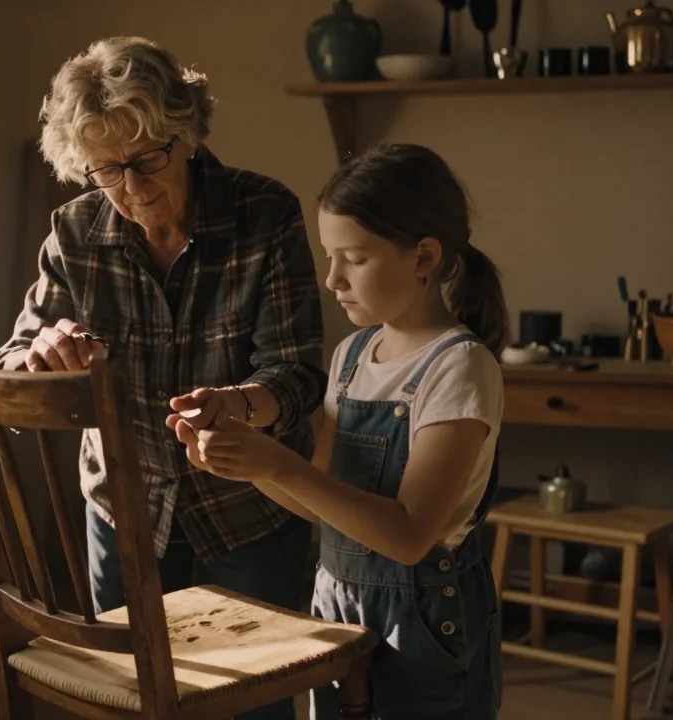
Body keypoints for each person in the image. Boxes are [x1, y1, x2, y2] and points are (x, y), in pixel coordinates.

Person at [0, 36, 325, 720]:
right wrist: (42, 356)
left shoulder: (265, 216)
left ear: (188, 133)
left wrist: (241, 405)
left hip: (250, 508)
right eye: (107, 170)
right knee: (134, 703)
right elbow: (11, 364)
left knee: (254, 703)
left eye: (148, 159)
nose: (133, 188)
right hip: (126, 509)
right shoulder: (75, 233)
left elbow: (297, 375)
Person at [172, 143, 508, 719]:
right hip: (338, 605)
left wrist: (277, 463)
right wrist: (242, 461)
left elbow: (407, 536)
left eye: (354, 258)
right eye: (330, 257)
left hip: (425, 621)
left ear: (424, 255)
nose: (332, 279)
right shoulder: (354, 354)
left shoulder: (459, 367)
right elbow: (322, 501)